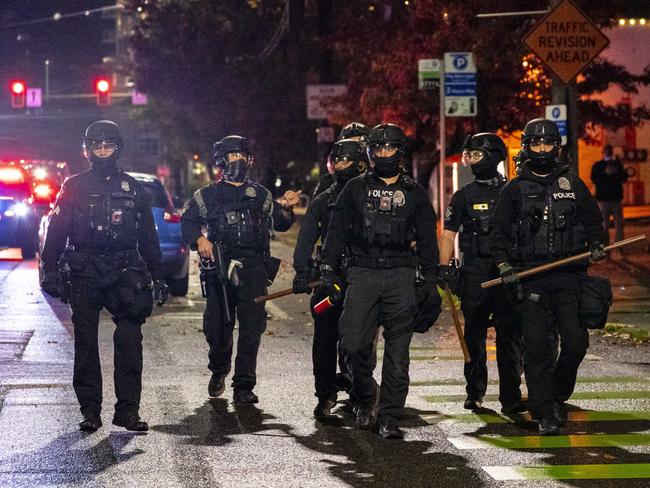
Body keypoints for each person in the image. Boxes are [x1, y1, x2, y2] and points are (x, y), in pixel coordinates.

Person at [40, 120, 168, 433]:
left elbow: (148, 237)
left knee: (129, 341)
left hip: (124, 269)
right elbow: (57, 231)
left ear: (117, 148)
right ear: (87, 150)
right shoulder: (74, 186)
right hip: (86, 269)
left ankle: (127, 411)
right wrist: (50, 268)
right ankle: (90, 411)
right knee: (85, 343)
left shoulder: (133, 188)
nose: (101, 151)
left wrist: (159, 275)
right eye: (96, 146)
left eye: (107, 146)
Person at [319, 123, 439, 439]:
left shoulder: (414, 193)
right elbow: (336, 232)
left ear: (400, 152)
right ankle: (365, 393)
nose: (383, 154)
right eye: (378, 149)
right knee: (353, 343)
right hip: (363, 272)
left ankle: (388, 417)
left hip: (400, 275)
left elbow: (428, 240)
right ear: (369, 152)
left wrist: (430, 280)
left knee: (397, 356)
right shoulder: (354, 189)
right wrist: (328, 269)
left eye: (389, 149)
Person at [490, 118, 607, 435]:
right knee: (538, 350)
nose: (542, 149)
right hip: (531, 279)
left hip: (569, 278)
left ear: (557, 147)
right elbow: (497, 235)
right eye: (536, 144)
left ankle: (556, 394)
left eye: (547, 144)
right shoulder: (513, 190)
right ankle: (546, 413)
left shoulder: (572, 185)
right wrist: (503, 265)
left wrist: (597, 246)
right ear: (527, 147)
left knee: (576, 343)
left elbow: (594, 223)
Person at [180, 135, 299, 404]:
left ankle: (244, 385)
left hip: (254, 268)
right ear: (222, 160)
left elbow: (280, 223)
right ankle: (219, 370)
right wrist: (200, 240)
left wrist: (288, 209)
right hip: (220, 270)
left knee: (252, 327)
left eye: (243, 156)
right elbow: (187, 223)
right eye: (233, 156)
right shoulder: (207, 195)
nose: (239, 161)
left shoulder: (261, 195)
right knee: (218, 326)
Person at [438, 133, 524, 414]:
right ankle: (475, 391)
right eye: (469, 155)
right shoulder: (464, 195)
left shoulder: (513, 191)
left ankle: (510, 395)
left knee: (509, 334)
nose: (471, 161)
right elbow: (449, 233)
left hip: (505, 270)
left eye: (477, 155)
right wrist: (444, 267)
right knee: (473, 334)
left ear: (493, 156)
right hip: (474, 270)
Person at [293, 139, 365, 419]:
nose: (340, 166)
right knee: (324, 336)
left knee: (360, 340)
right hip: (329, 280)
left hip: (363, 278)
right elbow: (307, 237)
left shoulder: (371, 197)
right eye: (337, 161)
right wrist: (301, 271)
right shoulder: (324, 200)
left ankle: (360, 392)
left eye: (346, 161)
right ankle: (325, 394)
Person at [313, 122, 370, 197]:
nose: (354, 148)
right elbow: (315, 206)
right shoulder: (328, 181)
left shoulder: (380, 177)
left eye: (360, 143)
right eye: (348, 143)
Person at [590, 144, 628, 245]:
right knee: (605, 225)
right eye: (607, 150)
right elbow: (594, 179)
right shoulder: (599, 165)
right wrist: (605, 173)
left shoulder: (617, 164)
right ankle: (606, 245)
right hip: (604, 200)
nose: (608, 152)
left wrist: (616, 172)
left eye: (609, 150)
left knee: (617, 225)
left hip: (615, 199)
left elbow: (624, 178)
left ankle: (618, 246)